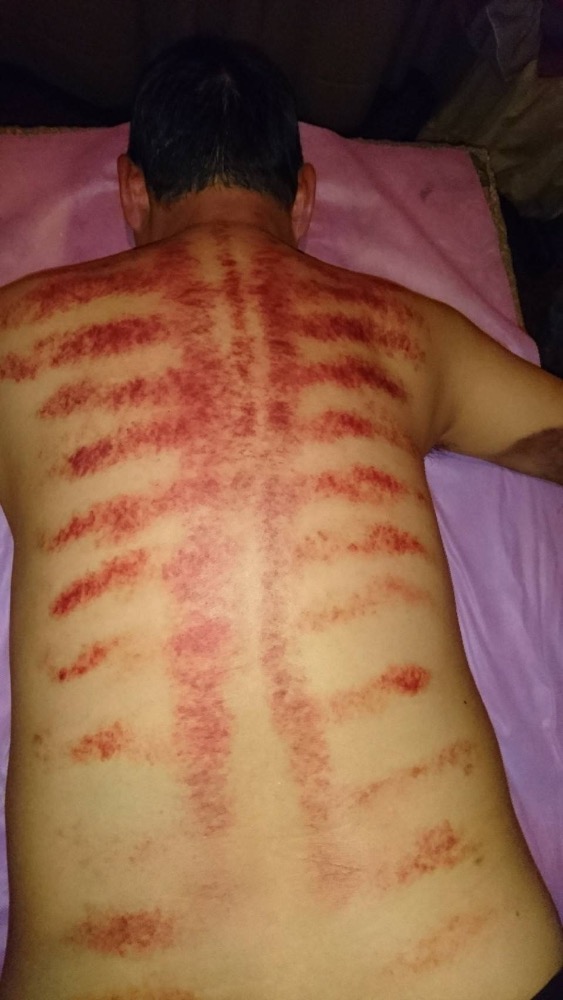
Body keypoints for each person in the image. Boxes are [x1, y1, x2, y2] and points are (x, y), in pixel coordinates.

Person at [0, 35, 562, 1000]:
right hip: (470, 972)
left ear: (132, 192)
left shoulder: (19, 337)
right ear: (303, 198)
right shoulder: (401, 330)